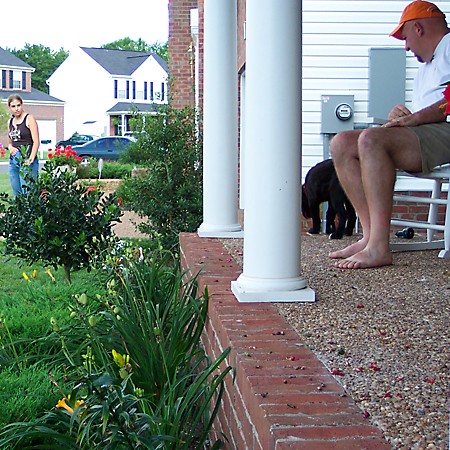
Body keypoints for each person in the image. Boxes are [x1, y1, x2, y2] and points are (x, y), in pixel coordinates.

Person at [329, 0, 450, 269]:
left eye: (406, 38)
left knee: (371, 139)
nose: (406, 47)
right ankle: (371, 237)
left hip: (446, 132)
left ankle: (380, 248)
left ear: (418, 28)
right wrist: (402, 115)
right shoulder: (425, 68)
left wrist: (414, 119)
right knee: (342, 143)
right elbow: (428, 108)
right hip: (428, 132)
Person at [7, 94, 40, 196]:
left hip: (27, 160)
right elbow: (10, 142)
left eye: (18, 105)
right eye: (13, 106)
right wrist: (10, 147)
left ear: (22, 105)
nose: (16, 109)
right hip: (14, 161)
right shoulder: (10, 122)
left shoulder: (29, 119)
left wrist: (30, 159)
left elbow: (36, 142)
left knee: (29, 194)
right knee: (17, 193)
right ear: (9, 107)